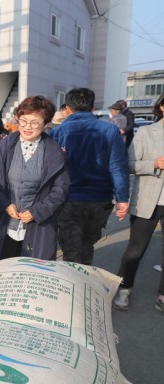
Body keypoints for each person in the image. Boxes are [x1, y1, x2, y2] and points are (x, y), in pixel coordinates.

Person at [0, 96, 70, 262]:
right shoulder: (4, 147)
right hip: (3, 223)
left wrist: (37, 211)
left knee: (32, 272)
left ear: (45, 123)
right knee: (1, 267)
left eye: (35, 122)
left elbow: (61, 189)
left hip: (39, 226)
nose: (28, 127)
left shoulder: (54, 152)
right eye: (23, 121)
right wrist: (5, 204)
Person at [50, 88, 129, 265]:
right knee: (87, 245)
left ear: (68, 108)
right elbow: (117, 166)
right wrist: (122, 198)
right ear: (92, 107)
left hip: (67, 199)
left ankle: (73, 287)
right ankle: (84, 279)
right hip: (100, 199)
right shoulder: (110, 130)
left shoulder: (57, 133)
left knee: (70, 250)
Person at [113, 94, 164, 311]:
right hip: (147, 200)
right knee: (135, 249)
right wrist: (153, 163)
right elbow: (129, 164)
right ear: (161, 106)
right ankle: (125, 289)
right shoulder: (146, 132)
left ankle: (162, 295)